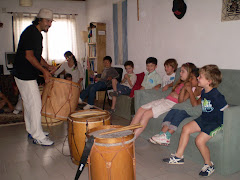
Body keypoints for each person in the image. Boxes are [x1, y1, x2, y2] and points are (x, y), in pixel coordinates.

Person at [163, 65, 228, 177]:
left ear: (209, 81)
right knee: (186, 128)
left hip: (214, 123)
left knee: (199, 141)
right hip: (204, 118)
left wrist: (226, 125)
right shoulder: (203, 92)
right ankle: (179, 157)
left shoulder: (217, 96)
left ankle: (209, 164)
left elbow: (227, 111)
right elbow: (199, 105)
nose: (198, 78)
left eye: (200, 77)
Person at [12, 8, 55, 146]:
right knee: (35, 105)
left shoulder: (36, 33)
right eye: (48, 21)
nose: (50, 24)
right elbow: (29, 56)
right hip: (25, 75)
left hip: (23, 74)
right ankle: (38, 136)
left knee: (30, 104)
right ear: (40, 20)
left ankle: (32, 130)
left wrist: (47, 66)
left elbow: (36, 56)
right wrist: (44, 71)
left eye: (51, 21)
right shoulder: (32, 33)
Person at [131, 62, 196, 138]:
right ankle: (128, 133)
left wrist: (176, 95)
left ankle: (132, 138)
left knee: (146, 114)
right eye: (180, 71)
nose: (180, 73)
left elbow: (183, 100)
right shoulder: (181, 82)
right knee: (141, 109)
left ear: (190, 73)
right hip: (165, 100)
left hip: (170, 104)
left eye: (182, 71)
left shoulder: (189, 85)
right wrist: (169, 87)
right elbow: (173, 85)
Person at [150, 68, 202, 145]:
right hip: (187, 106)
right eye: (190, 77)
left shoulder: (202, 90)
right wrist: (184, 89)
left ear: (198, 79)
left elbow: (195, 105)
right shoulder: (192, 87)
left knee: (180, 112)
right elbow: (181, 101)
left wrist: (190, 91)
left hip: (195, 110)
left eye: (192, 78)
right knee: (175, 108)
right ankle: (162, 133)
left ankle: (167, 136)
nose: (190, 80)